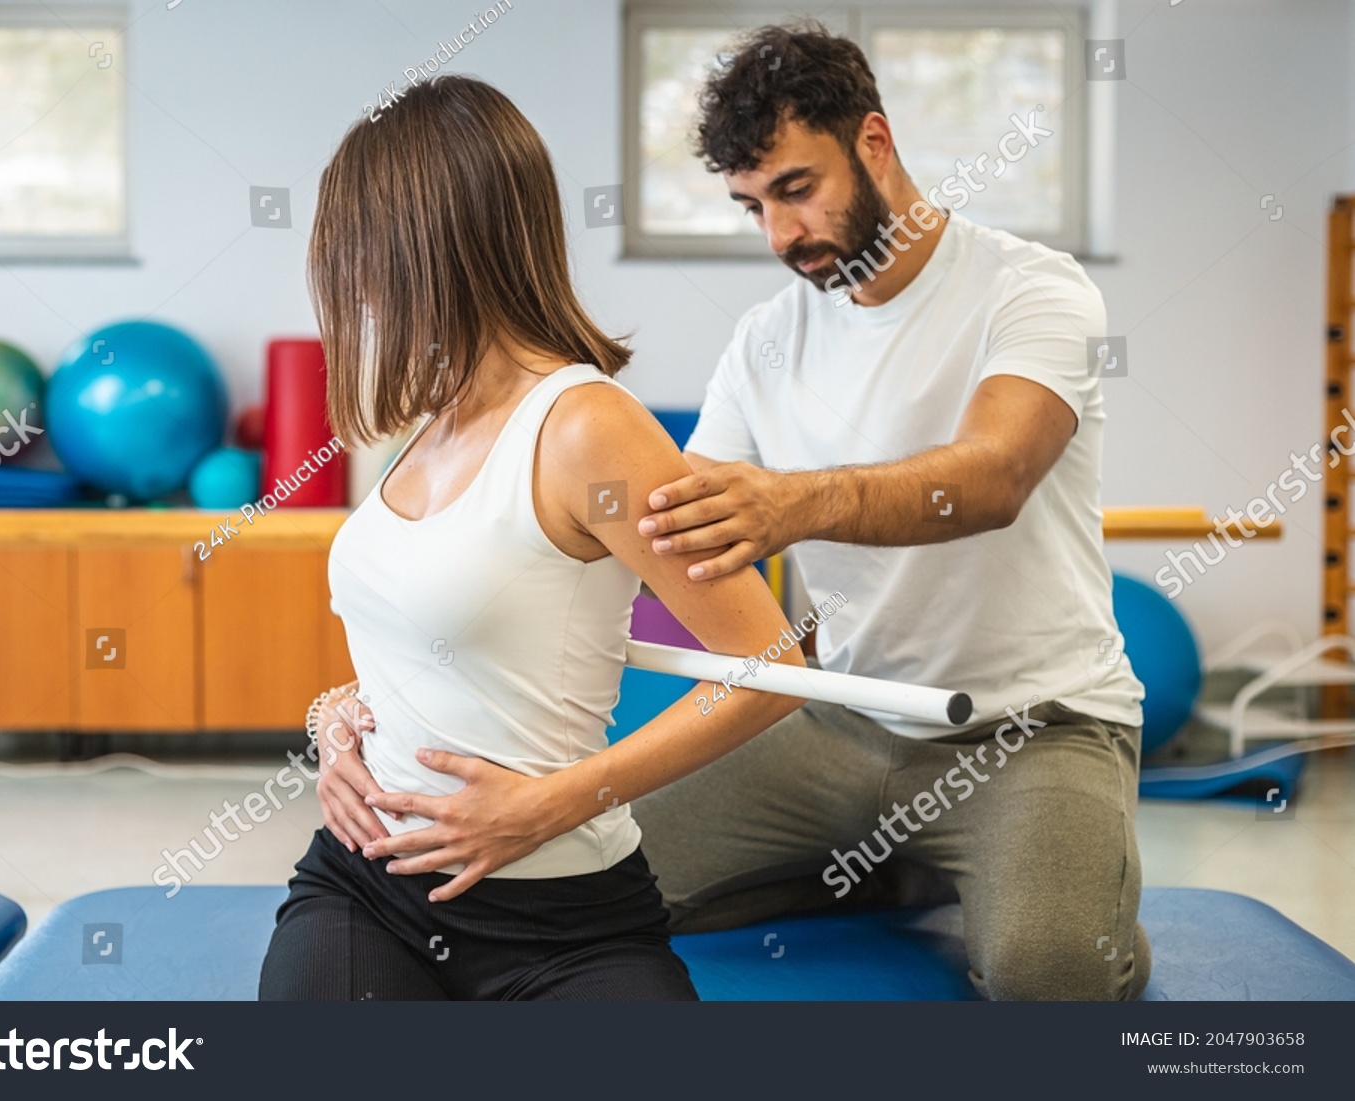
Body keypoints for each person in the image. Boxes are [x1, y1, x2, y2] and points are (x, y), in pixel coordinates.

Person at [330, 23, 1152, 1002]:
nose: (780, 236)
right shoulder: (768, 340)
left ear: (875, 145)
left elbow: (993, 474)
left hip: (1030, 728)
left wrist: (795, 504)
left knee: (1046, 974)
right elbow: (669, 525)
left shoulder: (1031, 290)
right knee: (597, 883)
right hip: (840, 721)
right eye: (751, 205)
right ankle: (901, 862)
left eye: (797, 190)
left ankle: (1043, 886)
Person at [258, 75, 807, 1002]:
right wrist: (335, 721)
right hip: (368, 883)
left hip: (564, 920)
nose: (347, 283)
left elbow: (776, 658)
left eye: (357, 250)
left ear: (427, 244)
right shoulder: (426, 420)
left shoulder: (589, 426)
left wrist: (547, 805)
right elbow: (442, 641)